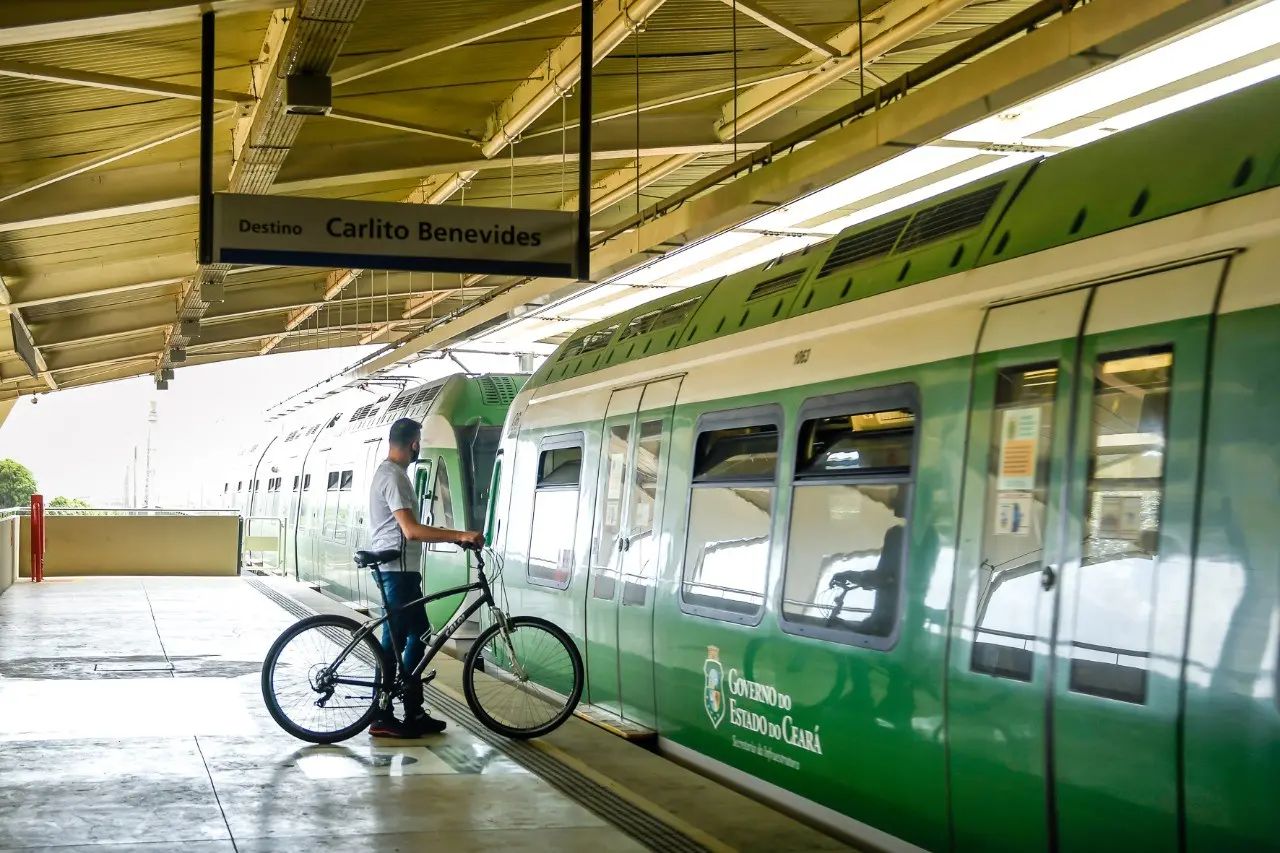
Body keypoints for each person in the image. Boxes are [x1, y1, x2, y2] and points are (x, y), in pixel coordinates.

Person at [368, 417, 483, 738]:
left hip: (402, 572)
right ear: (414, 443)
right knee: (392, 645)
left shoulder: (391, 474)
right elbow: (411, 530)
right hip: (397, 572)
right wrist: (458, 534)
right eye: (420, 443)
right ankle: (382, 713)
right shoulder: (394, 477)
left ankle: (413, 709)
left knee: (418, 633)